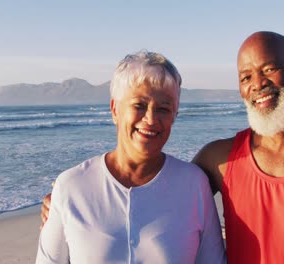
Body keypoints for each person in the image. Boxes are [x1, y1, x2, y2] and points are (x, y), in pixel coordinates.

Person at [42, 32, 284, 263]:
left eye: (269, 69)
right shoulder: (220, 160)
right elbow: (158, 190)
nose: (257, 83)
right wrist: (66, 199)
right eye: (246, 76)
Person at [36, 51, 226, 264]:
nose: (151, 119)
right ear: (115, 109)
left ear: (175, 115)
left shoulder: (193, 184)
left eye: (164, 108)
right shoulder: (71, 186)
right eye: (139, 105)